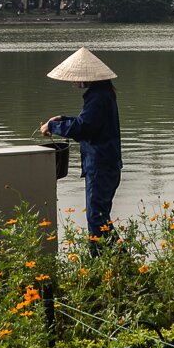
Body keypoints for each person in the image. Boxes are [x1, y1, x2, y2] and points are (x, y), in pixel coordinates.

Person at [39, 47, 122, 254]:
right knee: (99, 216)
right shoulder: (101, 93)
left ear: (87, 77)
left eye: (76, 77)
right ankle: (115, 262)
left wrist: (53, 126)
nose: (73, 82)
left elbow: (83, 128)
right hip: (105, 164)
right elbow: (86, 123)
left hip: (101, 165)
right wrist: (63, 120)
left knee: (96, 217)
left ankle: (108, 262)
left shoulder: (98, 97)